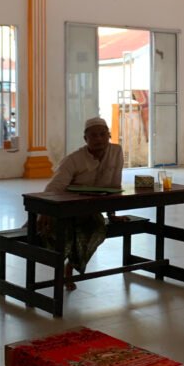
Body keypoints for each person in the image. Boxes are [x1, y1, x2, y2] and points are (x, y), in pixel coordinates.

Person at [42, 117, 124, 290]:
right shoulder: (73, 160)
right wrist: (44, 212)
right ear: (85, 139)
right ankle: (60, 273)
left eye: (103, 134)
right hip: (64, 210)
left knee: (97, 229)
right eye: (93, 135)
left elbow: (115, 186)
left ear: (109, 136)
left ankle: (70, 267)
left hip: (90, 211)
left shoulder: (116, 152)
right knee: (63, 235)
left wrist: (112, 215)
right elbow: (53, 188)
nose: (99, 139)